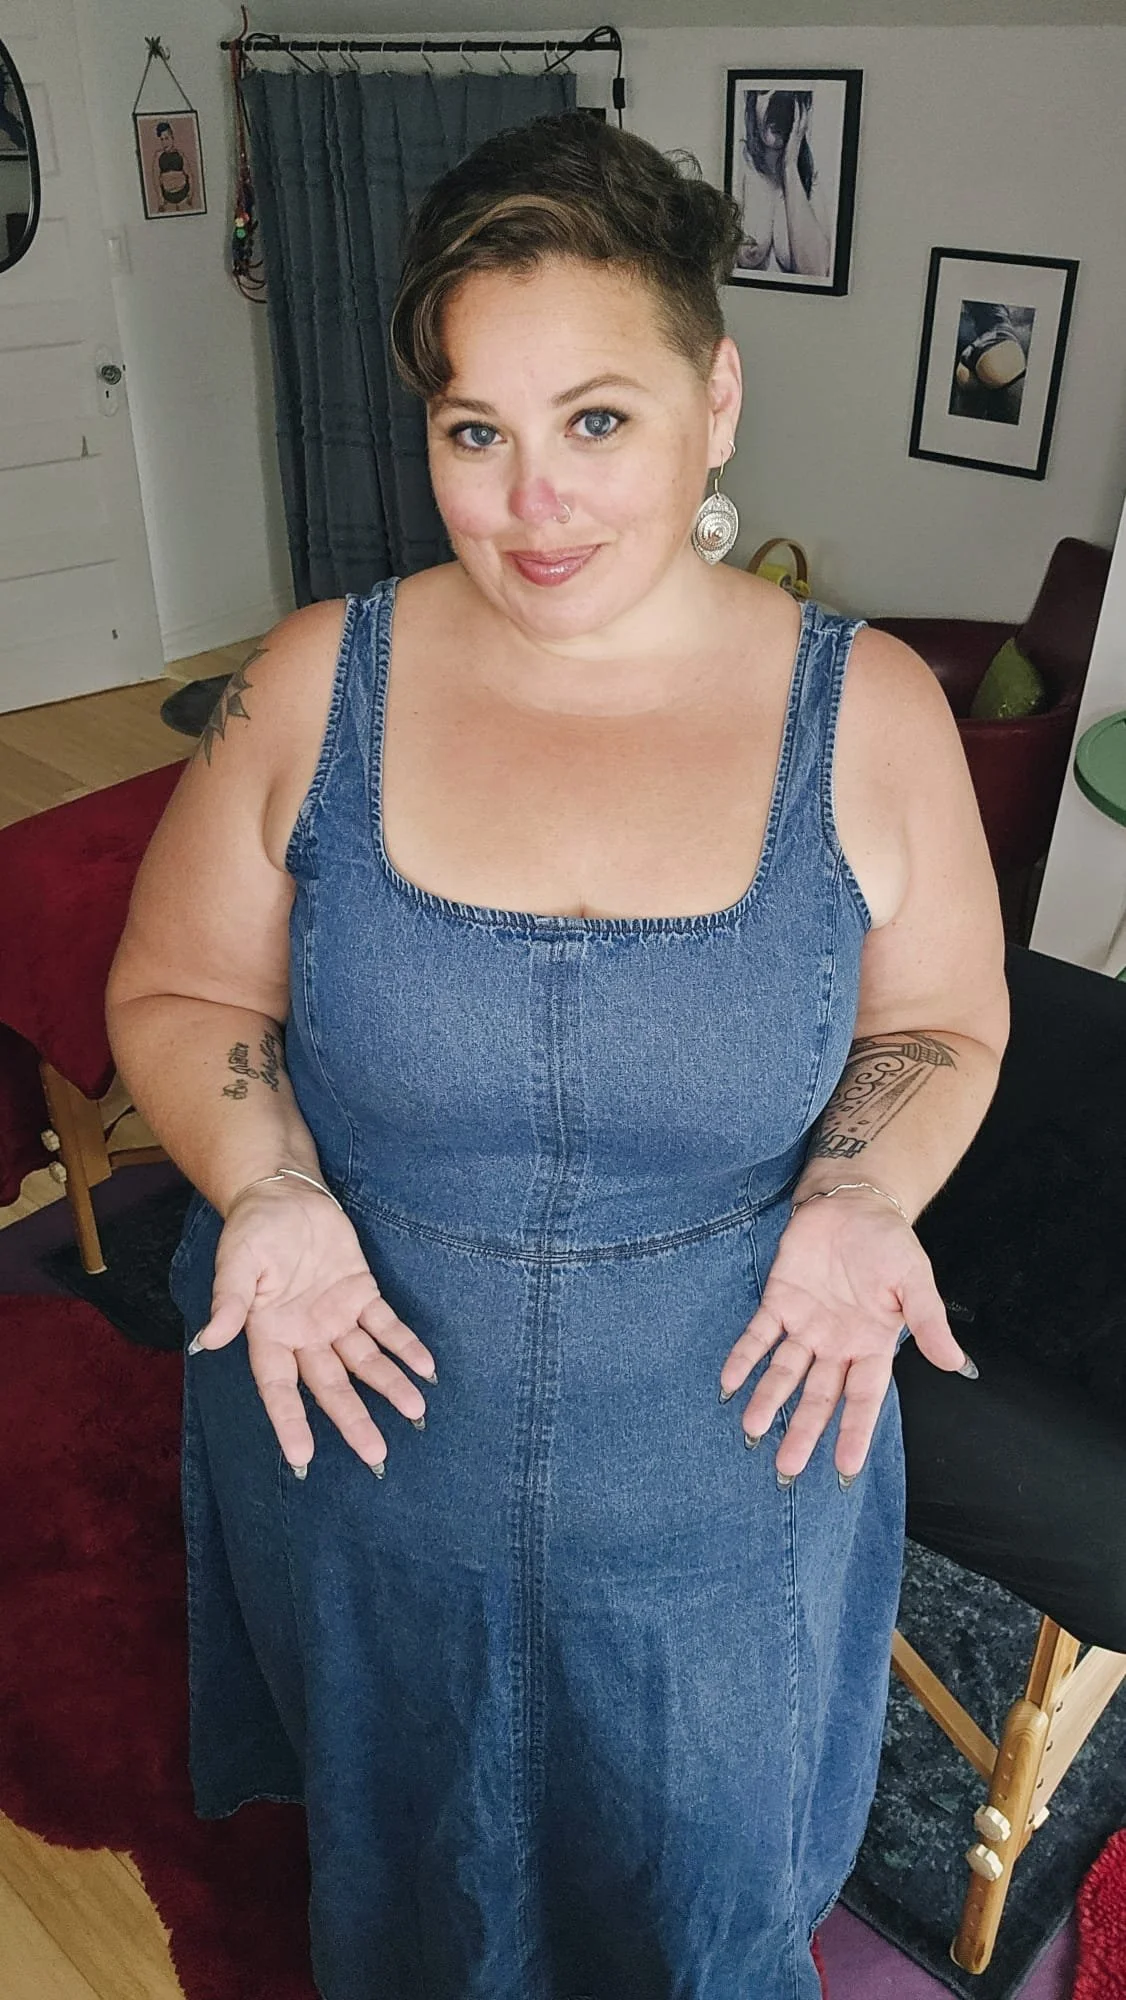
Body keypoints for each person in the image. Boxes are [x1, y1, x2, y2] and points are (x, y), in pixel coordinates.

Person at [106, 110, 1008, 2000]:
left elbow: (938, 1020)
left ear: (717, 394)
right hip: (365, 1448)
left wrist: (856, 1196)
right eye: (474, 432)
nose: (533, 503)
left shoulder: (873, 710)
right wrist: (266, 1190)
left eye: (595, 419)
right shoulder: (307, 681)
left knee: (696, 1891)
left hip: (721, 1469)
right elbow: (184, 997)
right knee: (406, 1878)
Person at [732, 89, 831, 279]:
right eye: (765, 92)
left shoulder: (811, 177)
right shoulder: (738, 164)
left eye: (787, 97)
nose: (776, 107)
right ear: (750, 100)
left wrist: (790, 165)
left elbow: (816, 271)